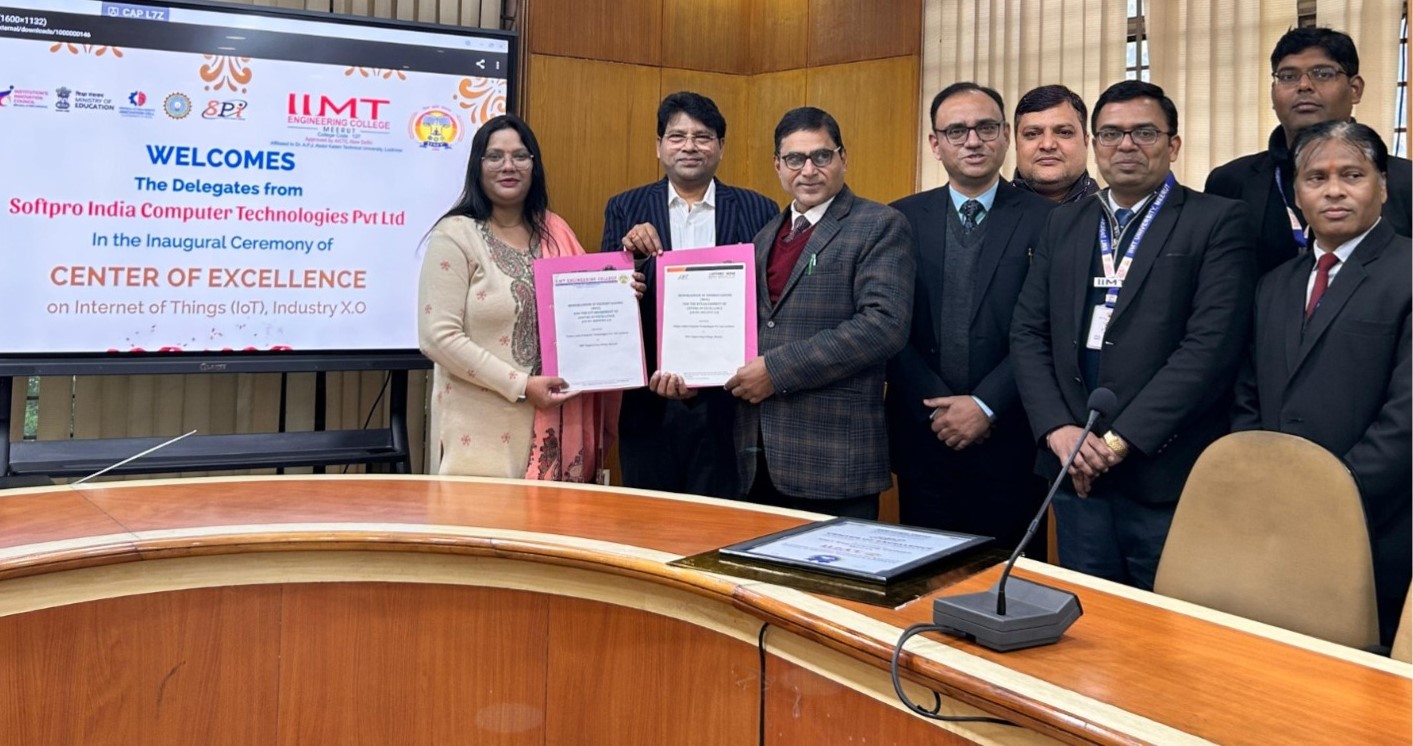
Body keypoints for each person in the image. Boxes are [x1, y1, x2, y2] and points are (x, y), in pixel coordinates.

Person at [1010, 81, 1256, 590]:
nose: (1126, 145)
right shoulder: (1064, 222)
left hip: (1164, 470)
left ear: (1173, 144)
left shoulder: (1216, 221)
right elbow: (1029, 331)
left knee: (1166, 624)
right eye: (1111, 133)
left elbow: (1209, 349)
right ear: (1094, 143)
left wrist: (1119, 441)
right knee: (1086, 616)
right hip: (1073, 467)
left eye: (1144, 132)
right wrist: (1057, 429)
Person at [1232, 120, 1410, 646]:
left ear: (1382, 186)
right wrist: (1260, 477)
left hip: (1380, 522)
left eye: (1352, 175)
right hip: (1274, 517)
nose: (1334, 190)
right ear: (1296, 194)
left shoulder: (1407, 272)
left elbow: (1406, 418)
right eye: (1316, 178)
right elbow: (1248, 394)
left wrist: (1329, 495)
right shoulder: (1274, 285)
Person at [887, 82, 1055, 551]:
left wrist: (985, 404)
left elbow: (1047, 328)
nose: (973, 141)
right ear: (935, 143)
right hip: (925, 434)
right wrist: (937, 406)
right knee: (922, 576)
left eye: (986, 128)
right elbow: (887, 325)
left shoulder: (1049, 220)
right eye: (956, 131)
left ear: (1005, 135)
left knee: (1010, 579)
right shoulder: (898, 220)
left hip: (1012, 439)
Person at [726, 106, 915, 519]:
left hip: (834, 458)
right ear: (778, 165)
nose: (808, 170)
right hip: (758, 458)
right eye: (795, 158)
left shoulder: (879, 224)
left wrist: (777, 370)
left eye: (821, 156)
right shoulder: (763, 237)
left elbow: (883, 326)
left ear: (843, 158)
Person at [419, 114, 628, 480]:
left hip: (555, 422)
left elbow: (589, 307)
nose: (508, 166)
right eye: (494, 156)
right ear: (477, 166)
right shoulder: (455, 235)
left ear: (534, 165)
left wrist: (622, 293)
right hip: (480, 432)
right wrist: (521, 386)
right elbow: (438, 337)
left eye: (520, 156)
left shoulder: (556, 231)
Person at [601, 92, 777, 498]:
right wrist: (630, 258)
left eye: (703, 137)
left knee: (724, 516)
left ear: (720, 147)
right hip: (649, 398)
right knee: (651, 516)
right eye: (677, 136)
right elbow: (611, 302)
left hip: (731, 401)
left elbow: (768, 303)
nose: (690, 146)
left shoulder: (759, 209)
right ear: (659, 145)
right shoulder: (625, 208)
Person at [1205, 26, 1412, 275]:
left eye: (1322, 74)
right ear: (1273, 93)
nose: (1304, 85)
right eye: (1288, 76)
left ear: (1355, 89)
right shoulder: (1229, 182)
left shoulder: (1406, 181)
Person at [1011, 84, 1100, 203]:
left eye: (1064, 132)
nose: (1047, 145)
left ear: (1086, 141)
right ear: (1016, 143)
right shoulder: (988, 210)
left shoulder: (1113, 212)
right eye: (1032, 134)